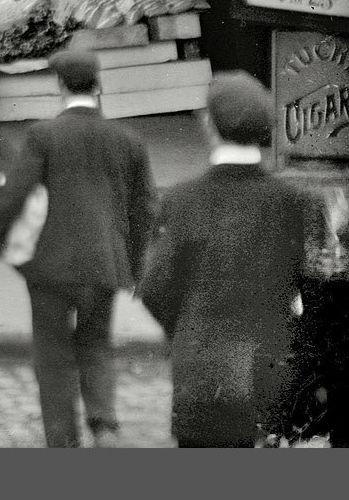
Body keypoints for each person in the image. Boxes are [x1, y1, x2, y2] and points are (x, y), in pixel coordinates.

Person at [0, 48, 160, 448]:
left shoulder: (43, 136)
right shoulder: (128, 140)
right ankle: (104, 424)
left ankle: (62, 440)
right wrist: (134, 267)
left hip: (50, 267)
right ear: (99, 85)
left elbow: (15, 194)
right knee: (96, 342)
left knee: (52, 352)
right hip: (103, 265)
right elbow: (144, 210)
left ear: (59, 86)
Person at [140, 71, 329, 448]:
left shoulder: (182, 200)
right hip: (273, 371)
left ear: (210, 125)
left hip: (202, 370)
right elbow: (319, 298)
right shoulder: (299, 203)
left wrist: (185, 332)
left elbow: (155, 288)